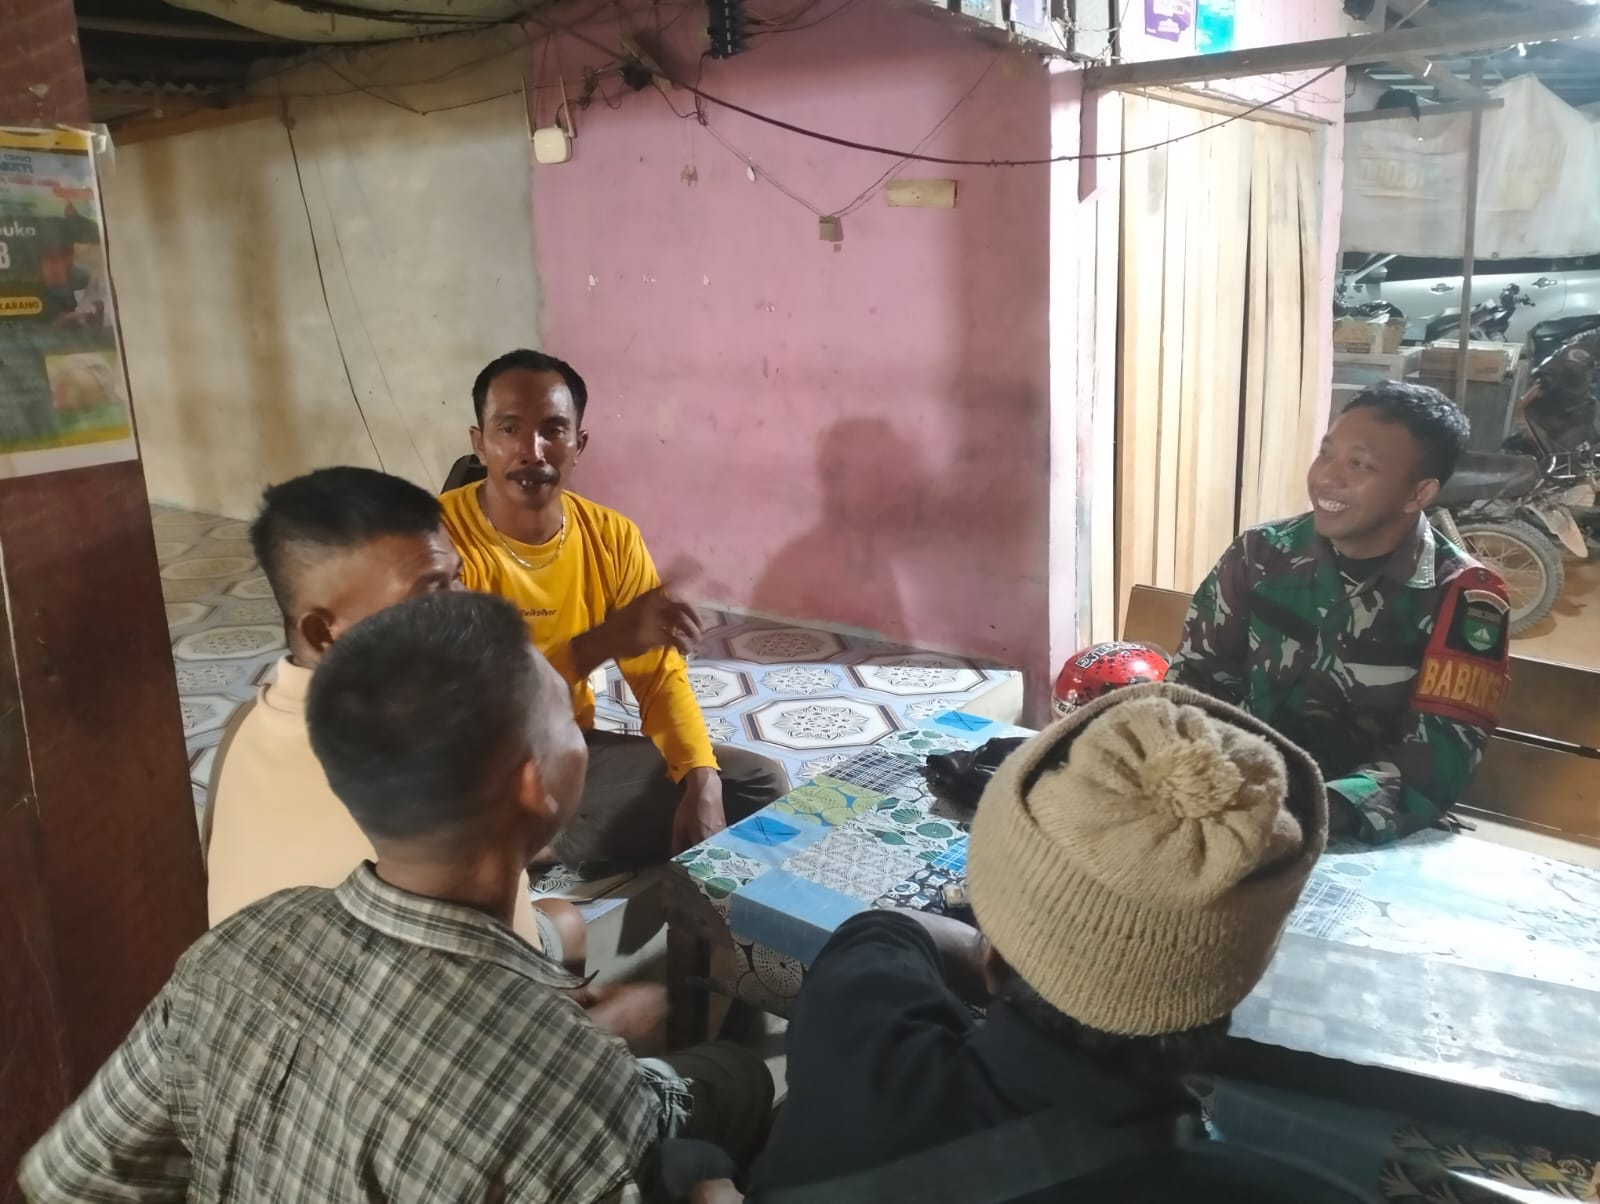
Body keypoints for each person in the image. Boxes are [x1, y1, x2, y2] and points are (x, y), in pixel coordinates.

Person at [20, 592, 772, 1203]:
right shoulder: (565, 1084)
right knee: (740, 1082)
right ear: (534, 784)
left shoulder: (241, 941)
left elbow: (68, 1180)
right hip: (593, 1096)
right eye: (564, 720)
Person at [713, 682, 1354, 1204]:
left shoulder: (857, 1040)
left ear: (992, 959)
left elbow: (884, 928)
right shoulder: (1284, 1190)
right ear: (1236, 980)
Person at [439, 349, 788, 875]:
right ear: (479, 443)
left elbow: (658, 675)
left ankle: (543, 842)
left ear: (578, 445)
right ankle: (531, 838)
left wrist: (699, 775)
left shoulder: (611, 536)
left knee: (754, 784)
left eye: (553, 431)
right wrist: (601, 642)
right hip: (468, 768)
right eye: (509, 430)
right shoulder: (437, 543)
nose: (532, 451)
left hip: (565, 750)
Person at [205, 467, 575, 961]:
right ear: (323, 634)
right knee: (567, 921)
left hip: (255, 989)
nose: (465, 609)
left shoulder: (243, 725)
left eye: (456, 578)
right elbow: (499, 967)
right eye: (428, 596)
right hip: (410, 997)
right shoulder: (432, 761)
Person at [1170, 381, 1512, 846]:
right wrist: (1199, 773)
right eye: (1326, 453)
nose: (1327, 478)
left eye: (1360, 464)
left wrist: (1305, 809)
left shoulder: (1463, 596)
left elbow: (1435, 761)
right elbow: (1196, 680)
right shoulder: (1261, 553)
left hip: (1362, 828)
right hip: (1236, 799)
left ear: (1418, 493)